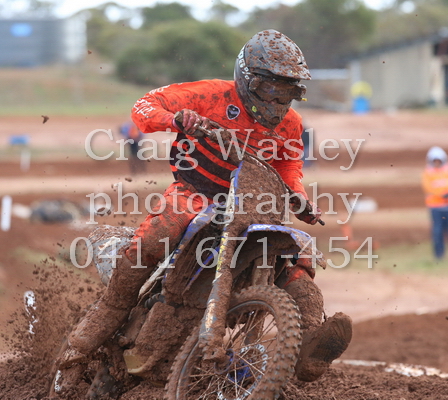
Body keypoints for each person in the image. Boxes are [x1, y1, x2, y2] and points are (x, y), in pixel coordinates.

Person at [56, 29, 352, 389]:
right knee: (160, 233)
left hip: (256, 203)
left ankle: (310, 347)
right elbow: (145, 106)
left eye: (287, 92)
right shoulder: (211, 95)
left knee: (299, 258)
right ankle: (109, 311)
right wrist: (176, 119)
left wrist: (298, 196)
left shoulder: (290, 124)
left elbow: (289, 163)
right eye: (271, 89)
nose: (278, 100)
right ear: (248, 79)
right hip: (197, 191)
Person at [421, 146, 448, 260]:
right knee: (437, 232)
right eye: (434, 160)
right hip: (435, 207)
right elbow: (427, 186)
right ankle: (439, 256)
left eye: (438, 160)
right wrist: (440, 193)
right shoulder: (428, 172)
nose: (437, 163)